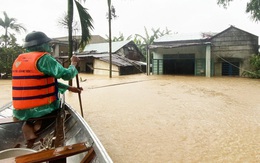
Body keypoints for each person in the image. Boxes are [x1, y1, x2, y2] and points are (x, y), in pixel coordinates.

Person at [12, 31, 82, 144]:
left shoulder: (19, 60)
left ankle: (30, 124)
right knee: (60, 111)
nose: (50, 46)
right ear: (41, 45)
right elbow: (67, 75)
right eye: (48, 43)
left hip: (19, 111)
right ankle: (37, 125)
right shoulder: (44, 59)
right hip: (41, 110)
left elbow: (39, 83)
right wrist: (73, 64)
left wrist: (69, 88)